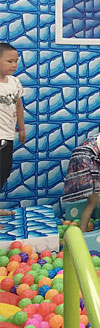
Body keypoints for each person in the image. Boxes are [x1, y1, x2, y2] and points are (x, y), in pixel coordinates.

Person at [0, 43, 25, 225]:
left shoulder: (14, 82)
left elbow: (18, 105)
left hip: (8, 136)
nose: (14, 65)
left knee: (4, 172)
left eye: (16, 61)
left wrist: (21, 128)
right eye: (9, 61)